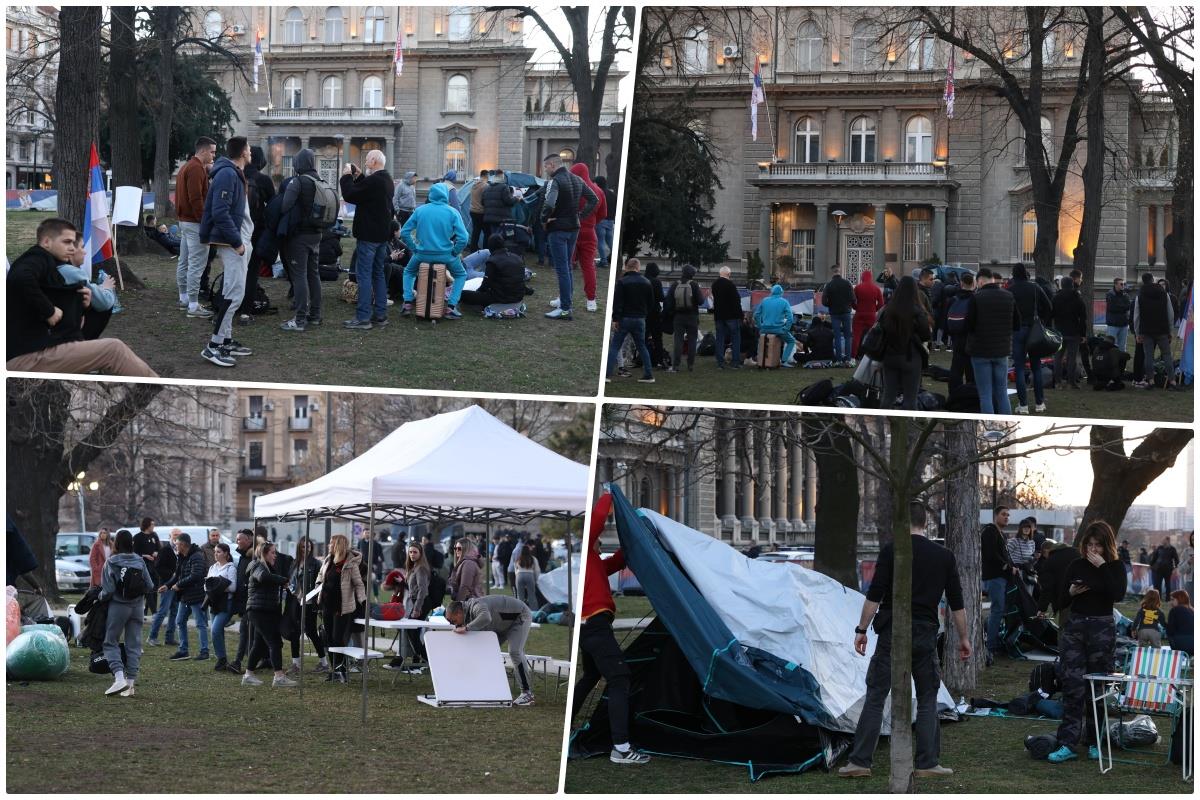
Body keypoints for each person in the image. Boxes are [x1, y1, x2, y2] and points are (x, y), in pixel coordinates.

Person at [839, 502, 967, 779]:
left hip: (892, 631)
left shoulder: (892, 551)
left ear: (901, 522)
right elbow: (957, 603)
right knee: (927, 697)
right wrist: (965, 638)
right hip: (925, 632)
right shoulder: (943, 556)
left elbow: (875, 594)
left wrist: (861, 630)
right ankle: (927, 763)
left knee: (875, 695)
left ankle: (860, 762)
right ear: (926, 523)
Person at [7, 218, 157, 376]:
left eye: (73, 243)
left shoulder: (49, 265)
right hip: (27, 356)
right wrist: (49, 311)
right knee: (114, 350)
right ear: (46, 242)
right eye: (66, 242)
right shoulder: (37, 257)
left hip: (35, 350)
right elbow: (20, 278)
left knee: (115, 354)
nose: (72, 248)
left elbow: (43, 298)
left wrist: (78, 302)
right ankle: (162, 391)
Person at [572, 505, 649, 763]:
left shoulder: (594, 564)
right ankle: (622, 747)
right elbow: (594, 521)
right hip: (594, 625)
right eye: (598, 541)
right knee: (619, 678)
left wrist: (635, 538)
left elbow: (617, 561)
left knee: (591, 676)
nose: (600, 543)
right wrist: (609, 496)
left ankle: (569, 725)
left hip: (587, 627)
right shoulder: (587, 555)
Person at [1048, 521, 1126, 763]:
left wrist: (1103, 567)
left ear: (1107, 546)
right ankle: (1067, 743)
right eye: (1089, 545)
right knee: (1073, 685)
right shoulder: (1076, 565)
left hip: (1102, 627)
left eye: (1098, 546)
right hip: (1076, 626)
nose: (1093, 551)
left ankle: (1094, 741)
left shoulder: (1115, 566)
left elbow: (1118, 594)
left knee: (1098, 687)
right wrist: (1070, 594)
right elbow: (1059, 602)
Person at [199, 136, 255, 368]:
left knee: (235, 292)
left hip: (237, 242)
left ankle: (226, 340)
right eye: (249, 149)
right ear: (242, 152)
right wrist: (237, 242)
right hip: (232, 244)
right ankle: (213, 346)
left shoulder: (234, 174)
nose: (251, 152)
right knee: (234, 294)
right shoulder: (227, 174)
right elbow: (219, 212)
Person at [445, 595, 536, 706]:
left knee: (515, 651)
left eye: (453, 621)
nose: (455, 625)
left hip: (519, 616)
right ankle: (488, 687)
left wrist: (466, 628)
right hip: (501, 624)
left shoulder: (476, 605)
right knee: (485, 652)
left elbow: (486, 618)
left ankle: (527, 693)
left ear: (459, 613)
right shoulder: (466, 613)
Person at [340, 150, 394, 330]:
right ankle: (380, 315)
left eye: (367, 159)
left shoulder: (375, 181)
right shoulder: (386, 180)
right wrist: (359, 175)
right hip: (381, 236)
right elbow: (367, 191)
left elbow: (351, 195)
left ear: (374, 161)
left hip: (369, 236)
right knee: (378, 274)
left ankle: (363, 317)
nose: (365, 161)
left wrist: (347, 176)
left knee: (364, 275)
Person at [399, 181, 470, 320]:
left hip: (422, 254)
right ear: (446, 195)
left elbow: (405, 232)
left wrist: (414, 248)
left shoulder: (420, 210)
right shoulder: (452, 212)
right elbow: (464, 238)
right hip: (446, 255)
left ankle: (407, 302)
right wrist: (455, 251)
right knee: (461, 275)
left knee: (408, 272)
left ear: (430, 194)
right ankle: (451, 307)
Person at [541, 153, 597, 320]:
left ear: (552, 165)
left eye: (546, 167)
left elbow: (549, 203)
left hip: (558, 227)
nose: (545, 170)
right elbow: (593, 199)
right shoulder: (577, 180)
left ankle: (565, 308)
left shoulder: (556, 182)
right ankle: (566, 302)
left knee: (563, 269)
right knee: (567, 267)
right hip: (574, 227)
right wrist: (580, 215)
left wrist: (544, 219)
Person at [276, 148, 326, 331]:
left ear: (299, 163)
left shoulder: (299, 181)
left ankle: (299, 319)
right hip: (316, 234)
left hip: (300, 237)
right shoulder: (320, 180)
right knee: (314, 274)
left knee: (299, 276)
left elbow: (285, 206)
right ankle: (315, 315)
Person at [99, 529, 153, 698]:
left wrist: (98, 596)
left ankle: (119, 678)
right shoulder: (139, 560)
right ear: (132, 543)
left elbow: (107, 591)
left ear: (116, 543)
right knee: (134, 644)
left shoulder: (111, 562)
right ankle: (130, 685)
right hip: (137, 607)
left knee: (110, 641)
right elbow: (150, 585)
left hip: (118, 607)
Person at [240, 541, 297, 688]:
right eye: (272, 552)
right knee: (274, 642)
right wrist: (283, 580)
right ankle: (279, 677)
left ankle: (248, 675)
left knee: (258, 644)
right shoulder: (257, 566)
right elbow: (263, 577)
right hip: (259, 611)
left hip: (264, 611)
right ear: (264, 554)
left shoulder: (268, 567)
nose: (275, 555)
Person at [966, 267, 1020, 414]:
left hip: (980, 350)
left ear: (980, 281)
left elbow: (968, 325)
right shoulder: (1009, 296)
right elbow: (1017, 324)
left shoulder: (976, 298)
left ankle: (989, 425)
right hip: (1002, 350)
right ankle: (1005, 421)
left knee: (985, 394)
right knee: (1002, 392)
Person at [175, 136, 217, 317]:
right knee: (196, 264)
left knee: (184, 261)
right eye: (213, 151)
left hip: (185, 221)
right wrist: (205, 222)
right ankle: (193, 305)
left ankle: (184, 297)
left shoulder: (187, 167)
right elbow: (196, 198)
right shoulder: (196, 169)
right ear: (203, 151)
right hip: (195, 223)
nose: (214, 155)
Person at [875, 275, 931, 409]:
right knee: (910, 397)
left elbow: (880, 331)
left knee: (888, 395)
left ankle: (882, 423)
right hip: (911, 356)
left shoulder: (888, 310)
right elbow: (925, 335)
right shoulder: (918, 311)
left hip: (890, 356)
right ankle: (908, 426)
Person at [317, 534, 366, 683]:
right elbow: (321, 576)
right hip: (327, 606)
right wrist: (318, 585)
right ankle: (335, 671)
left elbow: (359, 584)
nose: (328, 546)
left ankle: (341, 670)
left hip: (342, 608)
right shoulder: (328, 560)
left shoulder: (350, 563)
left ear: (338, 545)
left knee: (338, 640)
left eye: (331, 543)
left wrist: (362, 601)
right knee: (329, 639)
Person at [1008, 263, 1053, 413]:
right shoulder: (1035, 287)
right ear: (1026, 273)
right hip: (1034, 329)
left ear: (1014, 275)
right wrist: (1043, 322)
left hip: (1018, 329)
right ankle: (1039, 403)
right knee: (1036, 367)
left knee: (1019, 367)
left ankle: (1023, 404)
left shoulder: (1010, 290)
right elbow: (1048, 306)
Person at [239, 145, 276, 320]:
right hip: (256, 231)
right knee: (252, 270)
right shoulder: (264, 180)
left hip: (236, 230)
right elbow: (273, 206)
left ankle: (230, 305)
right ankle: (246, 309)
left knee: (235, 270)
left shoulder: (237, 175)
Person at [606, 257, 656, 383]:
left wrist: (615, 318)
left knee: (615, 346)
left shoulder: (622, 282)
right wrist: (644, 314)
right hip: (640, 319)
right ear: (638, 267)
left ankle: (607, 374)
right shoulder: (647, 282)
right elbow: (651, 303)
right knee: (642, 346)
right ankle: (648, 374)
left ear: (627, 266)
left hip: (624, 318)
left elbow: (617, 303)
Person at [161, 533, 209, 661]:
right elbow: (177, 575)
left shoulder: (197, 556)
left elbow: (196, 575)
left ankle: (204, 652)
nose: (175, 546)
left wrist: (179, 585)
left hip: (196, 595)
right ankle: (183, 651)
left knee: (200, 624)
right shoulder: (181, 556)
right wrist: (167, 585)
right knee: (179, 621)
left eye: (176, 543)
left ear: (182, 544)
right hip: (185, 595)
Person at [570, 162, 607, 313]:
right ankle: (591, 300)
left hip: (571, 231)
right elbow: (603, 214)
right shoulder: (598, 190)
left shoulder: (572, 189)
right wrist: (591, 223)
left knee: (566, 266)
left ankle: (563, 297)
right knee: (589, 267)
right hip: (589, 232)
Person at [1131, 272, 1177, 389]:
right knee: (1167, 355)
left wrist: (1137, 332)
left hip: (1146, 331)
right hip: (1162, 330)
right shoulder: (1163, 294)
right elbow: (1170, 313)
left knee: (1149, 357)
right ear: (1153, 280)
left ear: (1143, 281)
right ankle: (1172, 381)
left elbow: (1136, 316)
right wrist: (1170, 330)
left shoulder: (1140, 295)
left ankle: (1150, 381)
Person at [981, 506, 1014, 664]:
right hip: (994, 578)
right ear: (995, 516)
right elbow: (990, 554)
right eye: (1003, 514)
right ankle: (990, 647)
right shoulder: (990, 531)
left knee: (1002, 610)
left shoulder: (1002, 534)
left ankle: (992, 637)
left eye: (1008, 515)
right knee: (997, 609)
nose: (1006, 517)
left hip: (1002, 577)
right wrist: (1006, 566)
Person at [458, 234, 527, 308]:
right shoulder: (517, 258)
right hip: (517, 297)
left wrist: (476, 293)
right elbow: (520, 281)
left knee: (462, 294)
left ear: (490, 246)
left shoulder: (492, 262)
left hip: (499, 298)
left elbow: (485, 285)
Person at [225, 529, 255, 674]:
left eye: (239, 539)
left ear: (249, 540)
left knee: (245, 632)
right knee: (250, 633)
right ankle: (254, 660)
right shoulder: (243, 556)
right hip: (245, 602)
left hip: (252, 602)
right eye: (236, 539)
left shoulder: (252, 557)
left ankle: (238, 662)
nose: (237, 542)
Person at [205, 542, 237, 672]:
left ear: (226, 554)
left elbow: (233, 587)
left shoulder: (231, 568)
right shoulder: (212, 567)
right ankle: (222, 659)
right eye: (215, 552)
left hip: (226, 604)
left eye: (218, 552)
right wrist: (214, 586)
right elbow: (206, 585)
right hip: (213, 602)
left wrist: (217, 586)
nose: (216, 554)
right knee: (217, 632)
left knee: (215, 630)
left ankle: (221, 658)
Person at [399, 542, 431, 671]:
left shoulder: (421, 568)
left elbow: (423, 590)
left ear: (420, 553)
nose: (412, 554)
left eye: (415, 552)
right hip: (415, 601)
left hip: (421, 602)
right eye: (410, 552)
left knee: (413, 631)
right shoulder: (414, 567)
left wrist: (417, 608)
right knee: (413, 632)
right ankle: (419, 660)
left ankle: (425, 659)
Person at [1052, 275, 1088, 390]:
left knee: (1058, 357)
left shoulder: (1056, 298)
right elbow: (1083, 318)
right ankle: (1070, 382)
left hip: (1059, 331)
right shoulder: (1077, 298)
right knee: (1072, 358)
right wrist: (1083, 334)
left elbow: (1051, 314)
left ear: (1061, 285)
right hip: (1074, 331)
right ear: (1072, 285)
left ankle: (1057, 382)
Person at [1035, 538, 1078, 630]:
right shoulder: (1076, 552)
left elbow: (1047, 588)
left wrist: (1042, 609)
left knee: (1066, 633)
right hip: (1085, 600)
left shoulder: (1049, 561)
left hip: (1066, 601)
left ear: (1046, 551)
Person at [753, 283, 798, 368]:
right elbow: (790, 318)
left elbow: (756, 315)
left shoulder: (765, 300)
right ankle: (783, 361)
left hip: (765, 329)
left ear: (771, 292)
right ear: (781, 293)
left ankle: (761, 359)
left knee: (762, 341)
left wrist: (760, 326)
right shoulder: (784, 302)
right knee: (791, 341)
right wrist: (786, 328)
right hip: (779, 329)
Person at [822, 264, 855, 365]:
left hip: (834, 313)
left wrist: (831, 304)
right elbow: (853, 298)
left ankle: (839, 359)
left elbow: (824, 301)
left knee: (836, 336)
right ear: (840, 271)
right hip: (846, 312)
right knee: (847, 336)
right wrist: (848, 305)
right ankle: (848, 358)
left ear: (833, 272)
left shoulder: (829, 285)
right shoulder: (847, 283)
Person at [711, 267, 743, 369]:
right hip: (732, 316)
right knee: (735, 338)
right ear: (729, 274)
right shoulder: (730, 285)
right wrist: (740, 315)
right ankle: (735, 362)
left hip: (719, 315)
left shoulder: (714, 284)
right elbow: (736, 300)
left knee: (720, 338)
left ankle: (720, 363)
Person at [851, 270, 884, 359]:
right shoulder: (876, 288)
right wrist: (874, 309)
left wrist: (856, 308)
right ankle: (870, 355)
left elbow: (852, 300)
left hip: (859, 314)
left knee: (856, 336)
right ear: (871, 278)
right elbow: (881, 304)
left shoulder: (857, 288)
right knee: (872, 336)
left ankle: (853, 356)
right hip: (871, 315)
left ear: (862, 277)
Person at [132, 519, 161, 615]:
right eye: (152, 524)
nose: (154, 526)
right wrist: (145, 555)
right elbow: (134, 553)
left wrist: (157, 552)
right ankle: (153, 612)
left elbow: (159, 548)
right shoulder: (137, 537)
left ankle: (149, 611)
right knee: (147, 589)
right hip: (143, 567)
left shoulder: (154, 535)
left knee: (154, 589)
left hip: (154, 567)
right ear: (147, 525)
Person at [481, 171, 518, 243]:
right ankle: (499, 252)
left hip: (489, 218)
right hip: (501, 218)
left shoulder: (487, 188)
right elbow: (509, 201)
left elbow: (482, 202)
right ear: (502, 177)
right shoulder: (504, 187)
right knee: (500, 237)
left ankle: (493, 251)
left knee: (493, 236)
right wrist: (516, 199)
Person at [594, 175, 617, 267]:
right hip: (610, 220)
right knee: (610, 241)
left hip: (601, 220)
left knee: (601, 241)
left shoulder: (599, 192)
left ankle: (603, 261)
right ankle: (615, 259)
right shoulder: (612, 194)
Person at [1104, 277, 1132, 353]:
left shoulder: (1125, 295)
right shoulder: (1110, 294)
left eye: (1124, 284)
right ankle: (1111, 363)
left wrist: (1120, 307)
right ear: (1115, 285)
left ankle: (1121, 364)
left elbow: (1128, 306)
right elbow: (1112, 308)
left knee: (1122, 346)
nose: (1123, 286)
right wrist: (1123, 307)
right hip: (1113, 324)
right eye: (1121, 284)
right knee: (1111, 345)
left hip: (1124, 324)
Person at [1165, 590, 1193, 656]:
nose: (1171, 602)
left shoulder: (1174, 610)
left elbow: (1170, 630)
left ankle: (1176, 657)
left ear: (1180, 599)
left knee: (1170, 634)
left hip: (1181, 645)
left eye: (1173, 600)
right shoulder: (1193, 611)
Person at [514, 545, 541, 610]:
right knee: (532, 595)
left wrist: (517, 576)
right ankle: (534, 611)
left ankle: (519, 611)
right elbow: (537, 570)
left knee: (520, 596)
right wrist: (536, 579)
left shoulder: (518, 558)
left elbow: (515, 569)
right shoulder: (533, 558)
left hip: (519, 575)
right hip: (530, 575)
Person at [469, 169, 489, 251]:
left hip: (473, 211)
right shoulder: (485, 186)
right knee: (487, 232)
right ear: (486, 176)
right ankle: (485, 249)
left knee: (476, 231)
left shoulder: (474, 184)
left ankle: (473, 248)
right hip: (481, 212)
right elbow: (486, 199)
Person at [1180, 532, 1193, 601]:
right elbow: (1180, 570)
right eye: (1193, 540)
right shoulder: (1186, 551)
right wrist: (1188, 562)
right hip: (1190, 583)